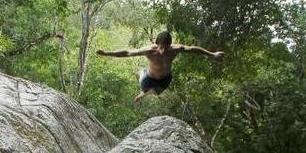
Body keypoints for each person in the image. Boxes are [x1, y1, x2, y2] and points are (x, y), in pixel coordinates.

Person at [96, 31, 224, 103]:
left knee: (155, 93)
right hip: (150, 78)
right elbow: (127, 53)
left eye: (165, 47)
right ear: (156, 44)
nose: (162, 50)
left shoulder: (175, 49)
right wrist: (107, 53)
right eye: (160, 47)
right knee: (146, 88)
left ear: (170, 45)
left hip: (165, 78)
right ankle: (142, 73)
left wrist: (212, 54)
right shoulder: (149, 51)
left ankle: (143, 93)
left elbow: (194, 49)